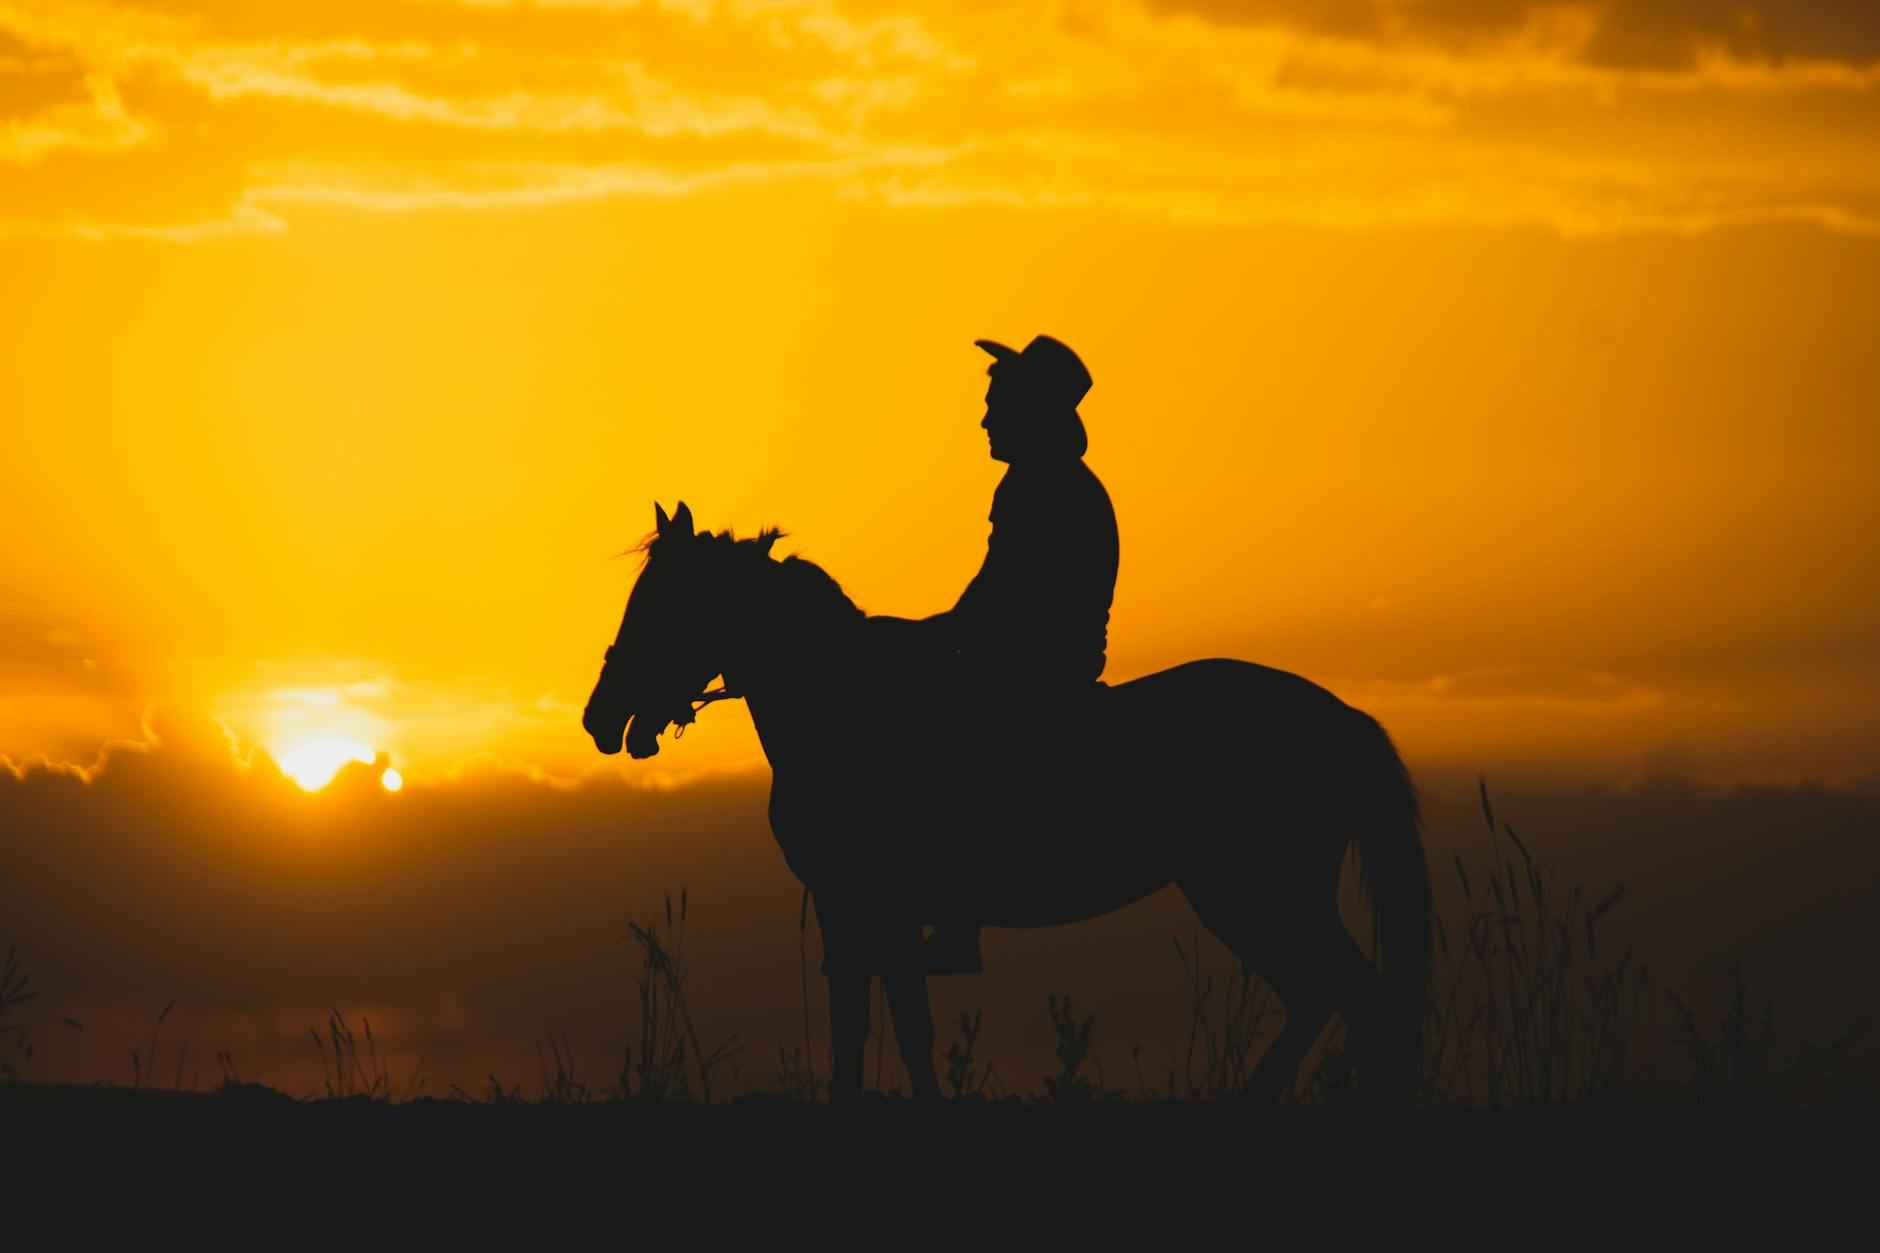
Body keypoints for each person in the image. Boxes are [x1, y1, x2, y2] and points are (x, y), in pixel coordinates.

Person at [875, 334, 1120, 974]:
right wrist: (929, 635)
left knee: (934, 737)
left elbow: (1000, 601)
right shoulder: (1042, 482)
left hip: (1037, 669)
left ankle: (955, 919)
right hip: (1033, 655)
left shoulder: (1042, 488)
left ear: (1029, 412)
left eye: (995, 407)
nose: (985, 421)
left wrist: (919, 640)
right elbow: (990, 598)